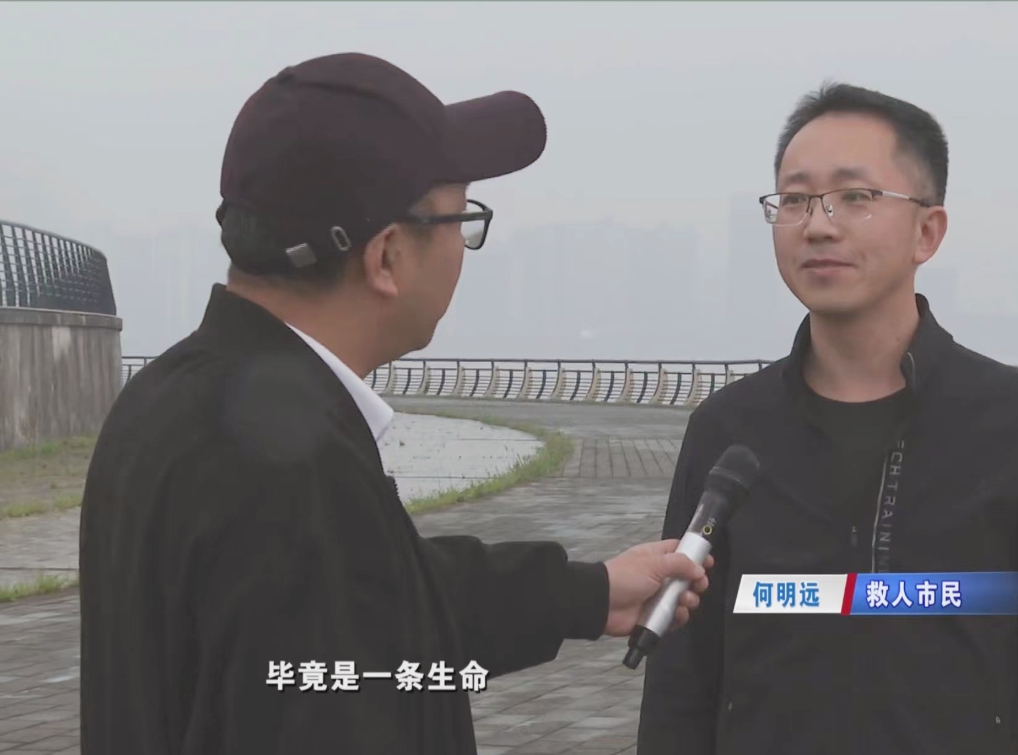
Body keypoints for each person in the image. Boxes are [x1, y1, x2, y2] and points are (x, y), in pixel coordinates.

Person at [78, 52, 712, 755]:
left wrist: (586, 594)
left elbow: (372, 599)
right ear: (385, 257)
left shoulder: (166, 401)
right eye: (461, 219)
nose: (464, 248)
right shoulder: (292, 473)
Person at [637, 82, 1018, 754]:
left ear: (928, 231)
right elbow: (682, 681)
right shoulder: (728, 429)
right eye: (795, 199)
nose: (818, 224)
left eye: (855, 196)